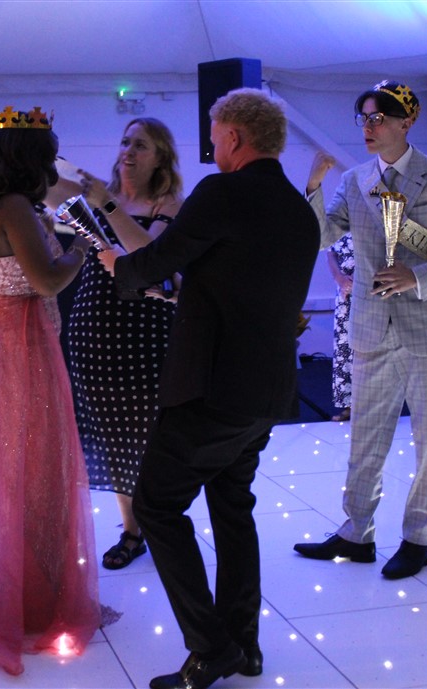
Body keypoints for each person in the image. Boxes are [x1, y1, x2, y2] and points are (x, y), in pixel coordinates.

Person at [98, 88, 319, 689]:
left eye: (215, 135)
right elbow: (238, 284)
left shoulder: (222, 192)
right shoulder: (299, 210)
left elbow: (152, 262)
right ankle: (244, 646)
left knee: (155, 506)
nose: (212, 145)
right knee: (232, 509)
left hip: (211, 389)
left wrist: (113, 259)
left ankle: (211, 646)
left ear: (234, 138)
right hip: (268, 390)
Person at [293, 80, 427, 579]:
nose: (368, 127)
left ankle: (418, 539)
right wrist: (313, 187)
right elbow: (320, 236)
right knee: (364, 438)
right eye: (364, 119)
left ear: (407, 121)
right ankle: (356, 533)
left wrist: (416, 277)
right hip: (371, 326)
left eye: (378, 118)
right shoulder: (355, 179)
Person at [0, 106, 101, 676]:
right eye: (47, 157)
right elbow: (48, 280)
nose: (52, 168)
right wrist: (81, 248)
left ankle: (14, 586)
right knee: (36, 466)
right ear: (27, 160)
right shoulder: (14, 208)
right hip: (24, 343)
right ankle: (34, 597)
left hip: (3, 337)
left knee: (13, 467)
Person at [68, 118, 184, 570]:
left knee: (149, 434)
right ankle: (132, 531)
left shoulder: (168, 204)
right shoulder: (95, 199)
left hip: (145, 331)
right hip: (94, 325)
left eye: (141, 145)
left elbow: (149, 258)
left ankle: (157, 520)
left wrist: (108, 204)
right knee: (112, 435)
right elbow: (56, 203)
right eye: (124, 142)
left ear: (160, 157)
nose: (128, 152)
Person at [325, 232, 355, 422]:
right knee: (345, 348)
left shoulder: (377, 218)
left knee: (370, 349)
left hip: (373, 289)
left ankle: (374, 405)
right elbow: (330, 254)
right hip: (345, 292)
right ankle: (350, 405)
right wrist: (340, 279)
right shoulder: (338, 221)